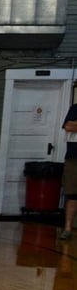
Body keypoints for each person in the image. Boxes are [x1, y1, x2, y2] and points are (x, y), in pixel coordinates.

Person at [59, 102, 77, 239]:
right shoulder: (75, 108)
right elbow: (68, 126)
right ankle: (67, 228)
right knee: (72, 194)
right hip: (74, 158)